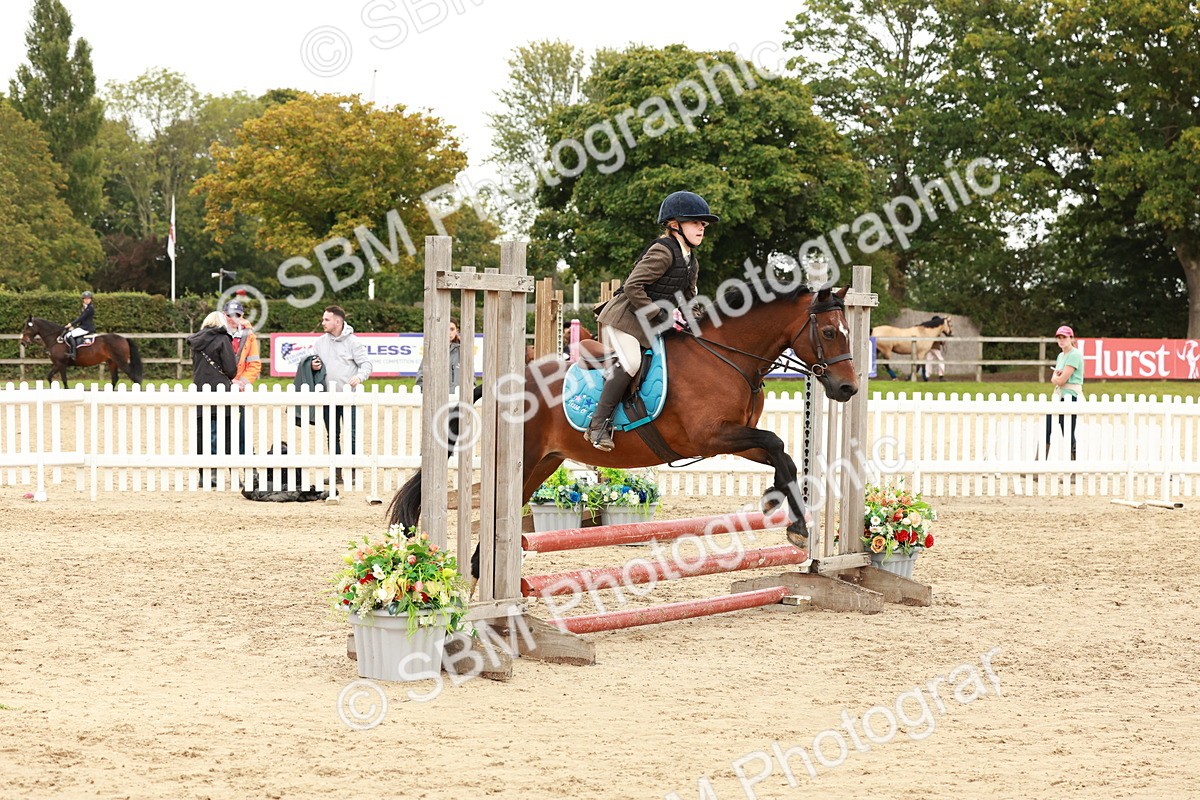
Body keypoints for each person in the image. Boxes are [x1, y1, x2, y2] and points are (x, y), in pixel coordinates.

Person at [586, 190, 718, 450]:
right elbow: (634, 287)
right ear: (674, 225)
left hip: (650, 321)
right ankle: (598, 425)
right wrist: (661, 315)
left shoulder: (691, 260)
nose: (701, 228)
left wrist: (701, 324)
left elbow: (688, 299)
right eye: (694, 223)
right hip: (624, 319)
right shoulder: (663, 251)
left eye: (703, 224)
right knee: (632, 362)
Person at [310, 305, 372, 482]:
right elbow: (313, 361)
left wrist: (359, 377)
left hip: (349, 396)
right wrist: (313, 365)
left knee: (352, 433)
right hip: (329, 396)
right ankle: (336, 472)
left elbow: (366, 364)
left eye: (326, 320)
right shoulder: (320, 342)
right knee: (333, 434)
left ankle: (352, 472)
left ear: (338, 322)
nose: (323, 322)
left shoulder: (354, 342)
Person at [188, 311, 237, 487]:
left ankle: (206, 474)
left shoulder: (195, 341)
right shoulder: (223, 339)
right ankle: (226, 472)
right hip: (220, 390)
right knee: (226, 433)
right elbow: (231, 369)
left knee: (203, 432)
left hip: (201, 388)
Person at [224, 299, 261, 455]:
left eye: (237, 315)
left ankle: (248, 461)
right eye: (230, 315)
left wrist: (242, 383)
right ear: (224, 315)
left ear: (242, 315)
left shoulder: (249, 335)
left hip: (242, 389)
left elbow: (254, 363)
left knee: (244, 429)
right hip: (222, 386)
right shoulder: (216, 332)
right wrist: (228, 382)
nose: (233, 319)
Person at [1046, 324, 1085, 459]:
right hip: (1060, 396)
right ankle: (1039, 463)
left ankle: (1073, 467)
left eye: (1064, 337)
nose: (1061, 340)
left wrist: (1056, 378)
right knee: (1047, 427)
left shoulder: (1075, 355)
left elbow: (1060, 379)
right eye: (1059, 338)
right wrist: (1057, 378)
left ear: (1071, 338)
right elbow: (1056, 378)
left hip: (1071, 396)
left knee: (1067, 431)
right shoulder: (1061, 356)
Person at [414, 318, 461, 390]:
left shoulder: (462, 352)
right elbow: (421, 376)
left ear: (456, 331)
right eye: (446, 329)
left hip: (457, 397)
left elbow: (470, 376)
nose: (449, 332)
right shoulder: (432, 351)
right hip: (436, 397)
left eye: (452, 329)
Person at [64, 290, 95, 364]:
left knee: (69, 335)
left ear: (90, 299)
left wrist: (71, 324)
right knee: (69, 333)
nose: (86, 300)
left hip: (86, 328)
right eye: (85, 298)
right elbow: (81, 318)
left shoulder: (90, 308)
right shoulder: (85, 307)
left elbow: (82, 318)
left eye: (88, 299)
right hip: (82, 326)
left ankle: (73, 354)